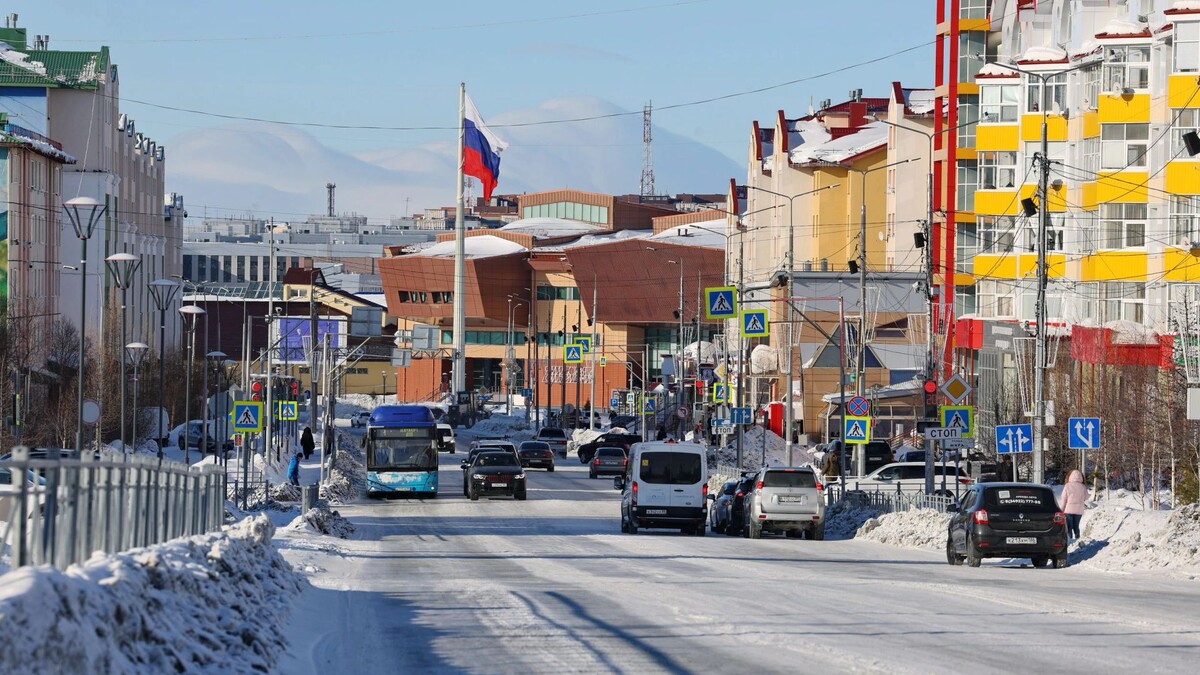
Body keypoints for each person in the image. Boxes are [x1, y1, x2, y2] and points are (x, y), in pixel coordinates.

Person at [1059, 468, 1087, 541]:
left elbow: (1063, 499)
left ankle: (1070, 540)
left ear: (1070, 476)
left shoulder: (1067, 486)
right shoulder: (1083, 486)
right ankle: (1078, 538)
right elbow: (1086, 497)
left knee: (1069, 526)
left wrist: (1061, 510)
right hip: (1079, 510)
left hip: (1068, 510)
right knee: (1076, 526)